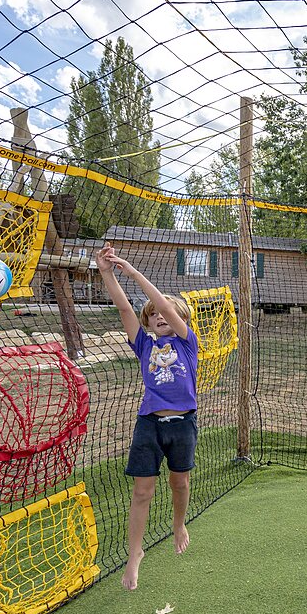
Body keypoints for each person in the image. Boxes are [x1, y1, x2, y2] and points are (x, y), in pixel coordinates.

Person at [97, 245, 199, 591]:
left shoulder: (187, 344)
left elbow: (170, 309)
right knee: (142, 491)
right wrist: (108, 273)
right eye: (152, 314)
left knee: (180, 483)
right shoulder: (144, 345)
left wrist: (133, 272)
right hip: (149, 425)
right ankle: (135, 553)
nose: (159, 317)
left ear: (180, 321)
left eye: (165, 314)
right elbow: (125, 307)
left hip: (183, 424)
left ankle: (179, 523)